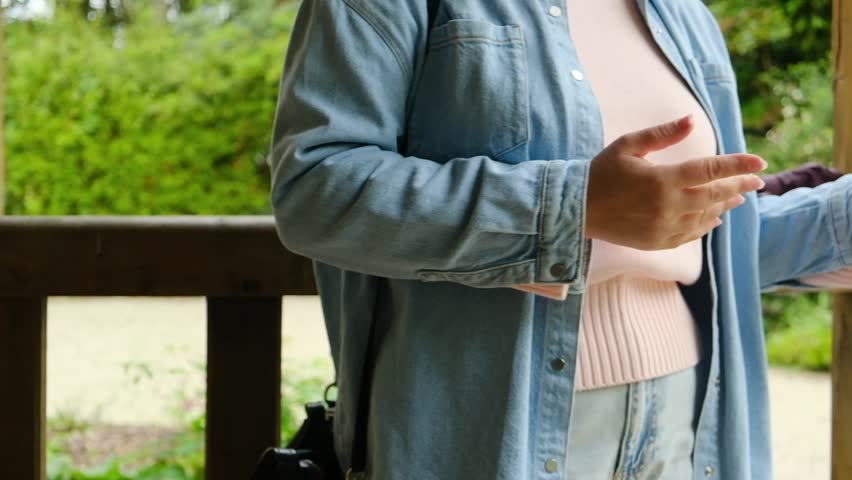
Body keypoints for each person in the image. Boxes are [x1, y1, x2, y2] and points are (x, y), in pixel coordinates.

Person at [268, 0, 852, 478]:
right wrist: (574, 207)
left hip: (682, 422)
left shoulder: (684, 15)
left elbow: (714, 244)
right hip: (491, 433)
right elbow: (316, 190)